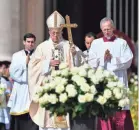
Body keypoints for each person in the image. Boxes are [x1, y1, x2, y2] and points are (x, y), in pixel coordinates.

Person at [28, 11, 85, 130]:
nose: (55, 35)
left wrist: (75, 55)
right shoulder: (42, 47)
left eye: (57, 33)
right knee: (48, 124)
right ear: (49, 32)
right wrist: (48, 63)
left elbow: (81, 62)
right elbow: (32, 66)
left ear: (62, 32)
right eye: (53, 33)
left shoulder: (68, 45)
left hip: (63, 90)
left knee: (62, 125)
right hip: (48, 88)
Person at [88, 17, 134, 130]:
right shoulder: (96, 44)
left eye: (108, 29)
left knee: (121, 115)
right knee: (105, 117)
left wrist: (113, 59)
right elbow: (91, 62)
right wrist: (103, 58)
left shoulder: (121, 43)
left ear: (113, 28)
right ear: (101, 29)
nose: (106, 31)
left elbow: (128, 60)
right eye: (104, 29)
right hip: (103, 85)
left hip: (119, 82)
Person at [8, 33, 39, 130]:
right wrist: (24, 65)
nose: (30, 44)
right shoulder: (16, 56)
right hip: (21, 89)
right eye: (28, 42)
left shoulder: (38, 56)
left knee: (34, 117)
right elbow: (13, 73)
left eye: (32, 42)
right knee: (20, 118)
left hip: (33, 90)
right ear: (24, 42)